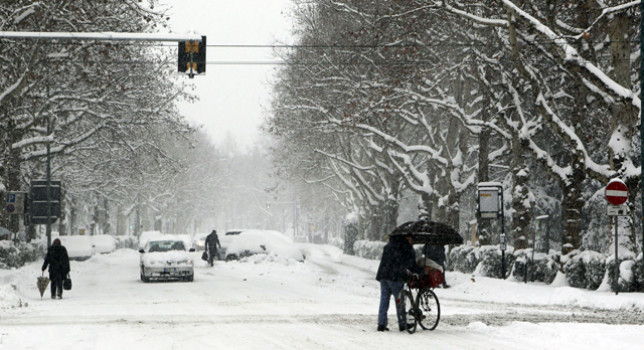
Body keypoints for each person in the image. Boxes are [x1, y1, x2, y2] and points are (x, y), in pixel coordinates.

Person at [375, 234, 424, 332]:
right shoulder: (405, 247)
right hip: (395, 278)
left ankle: (381, 324)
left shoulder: (389, 245)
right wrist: (420, 271)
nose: (412, 241)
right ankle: (402, 324)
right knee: (399, 301)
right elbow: (411, 265)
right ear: (407, 238)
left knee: (384, 300)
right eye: (412, 239)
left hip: (384, 276)